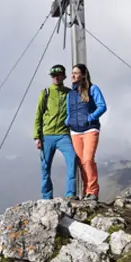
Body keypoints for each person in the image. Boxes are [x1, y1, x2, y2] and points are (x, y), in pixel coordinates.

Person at [33, 64, 77, 200]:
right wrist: (37, 136)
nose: (55, 78)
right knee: (45, 167)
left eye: (58, 75)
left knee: (72, 158)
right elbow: (38, 115)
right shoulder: (45, 92)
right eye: (53, 76)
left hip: (63, 134)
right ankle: (46, 197)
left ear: (63, 76)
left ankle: (70, 194)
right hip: (47, 135)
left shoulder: (69, 93)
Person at [66, 63, 106, 201]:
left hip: (90, 129)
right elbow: (68, 111)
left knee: (88, 160)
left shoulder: (93, 89)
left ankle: (93, 191)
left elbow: (102, 106)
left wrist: (91, 117)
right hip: (75, 131)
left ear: (83, 75)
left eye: (76, 73)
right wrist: (68, 121)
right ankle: (86, 192)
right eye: (72, 73)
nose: (73, 75)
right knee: (81, 162)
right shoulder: (70, 94)